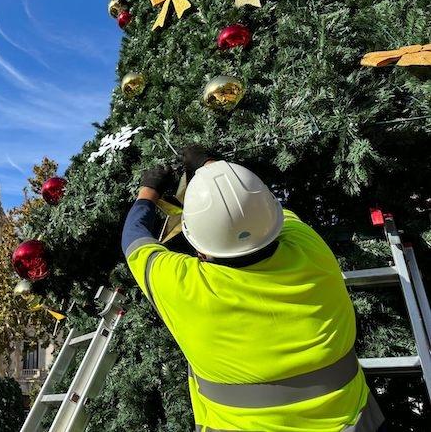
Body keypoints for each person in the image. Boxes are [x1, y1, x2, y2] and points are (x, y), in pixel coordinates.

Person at [122, 147, 386, 432]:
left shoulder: (183, 285)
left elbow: (133, 239)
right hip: (355, 423)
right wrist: (215, 168)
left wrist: (147, 192)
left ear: (197, 246)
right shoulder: (310, 247)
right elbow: (260, 212)